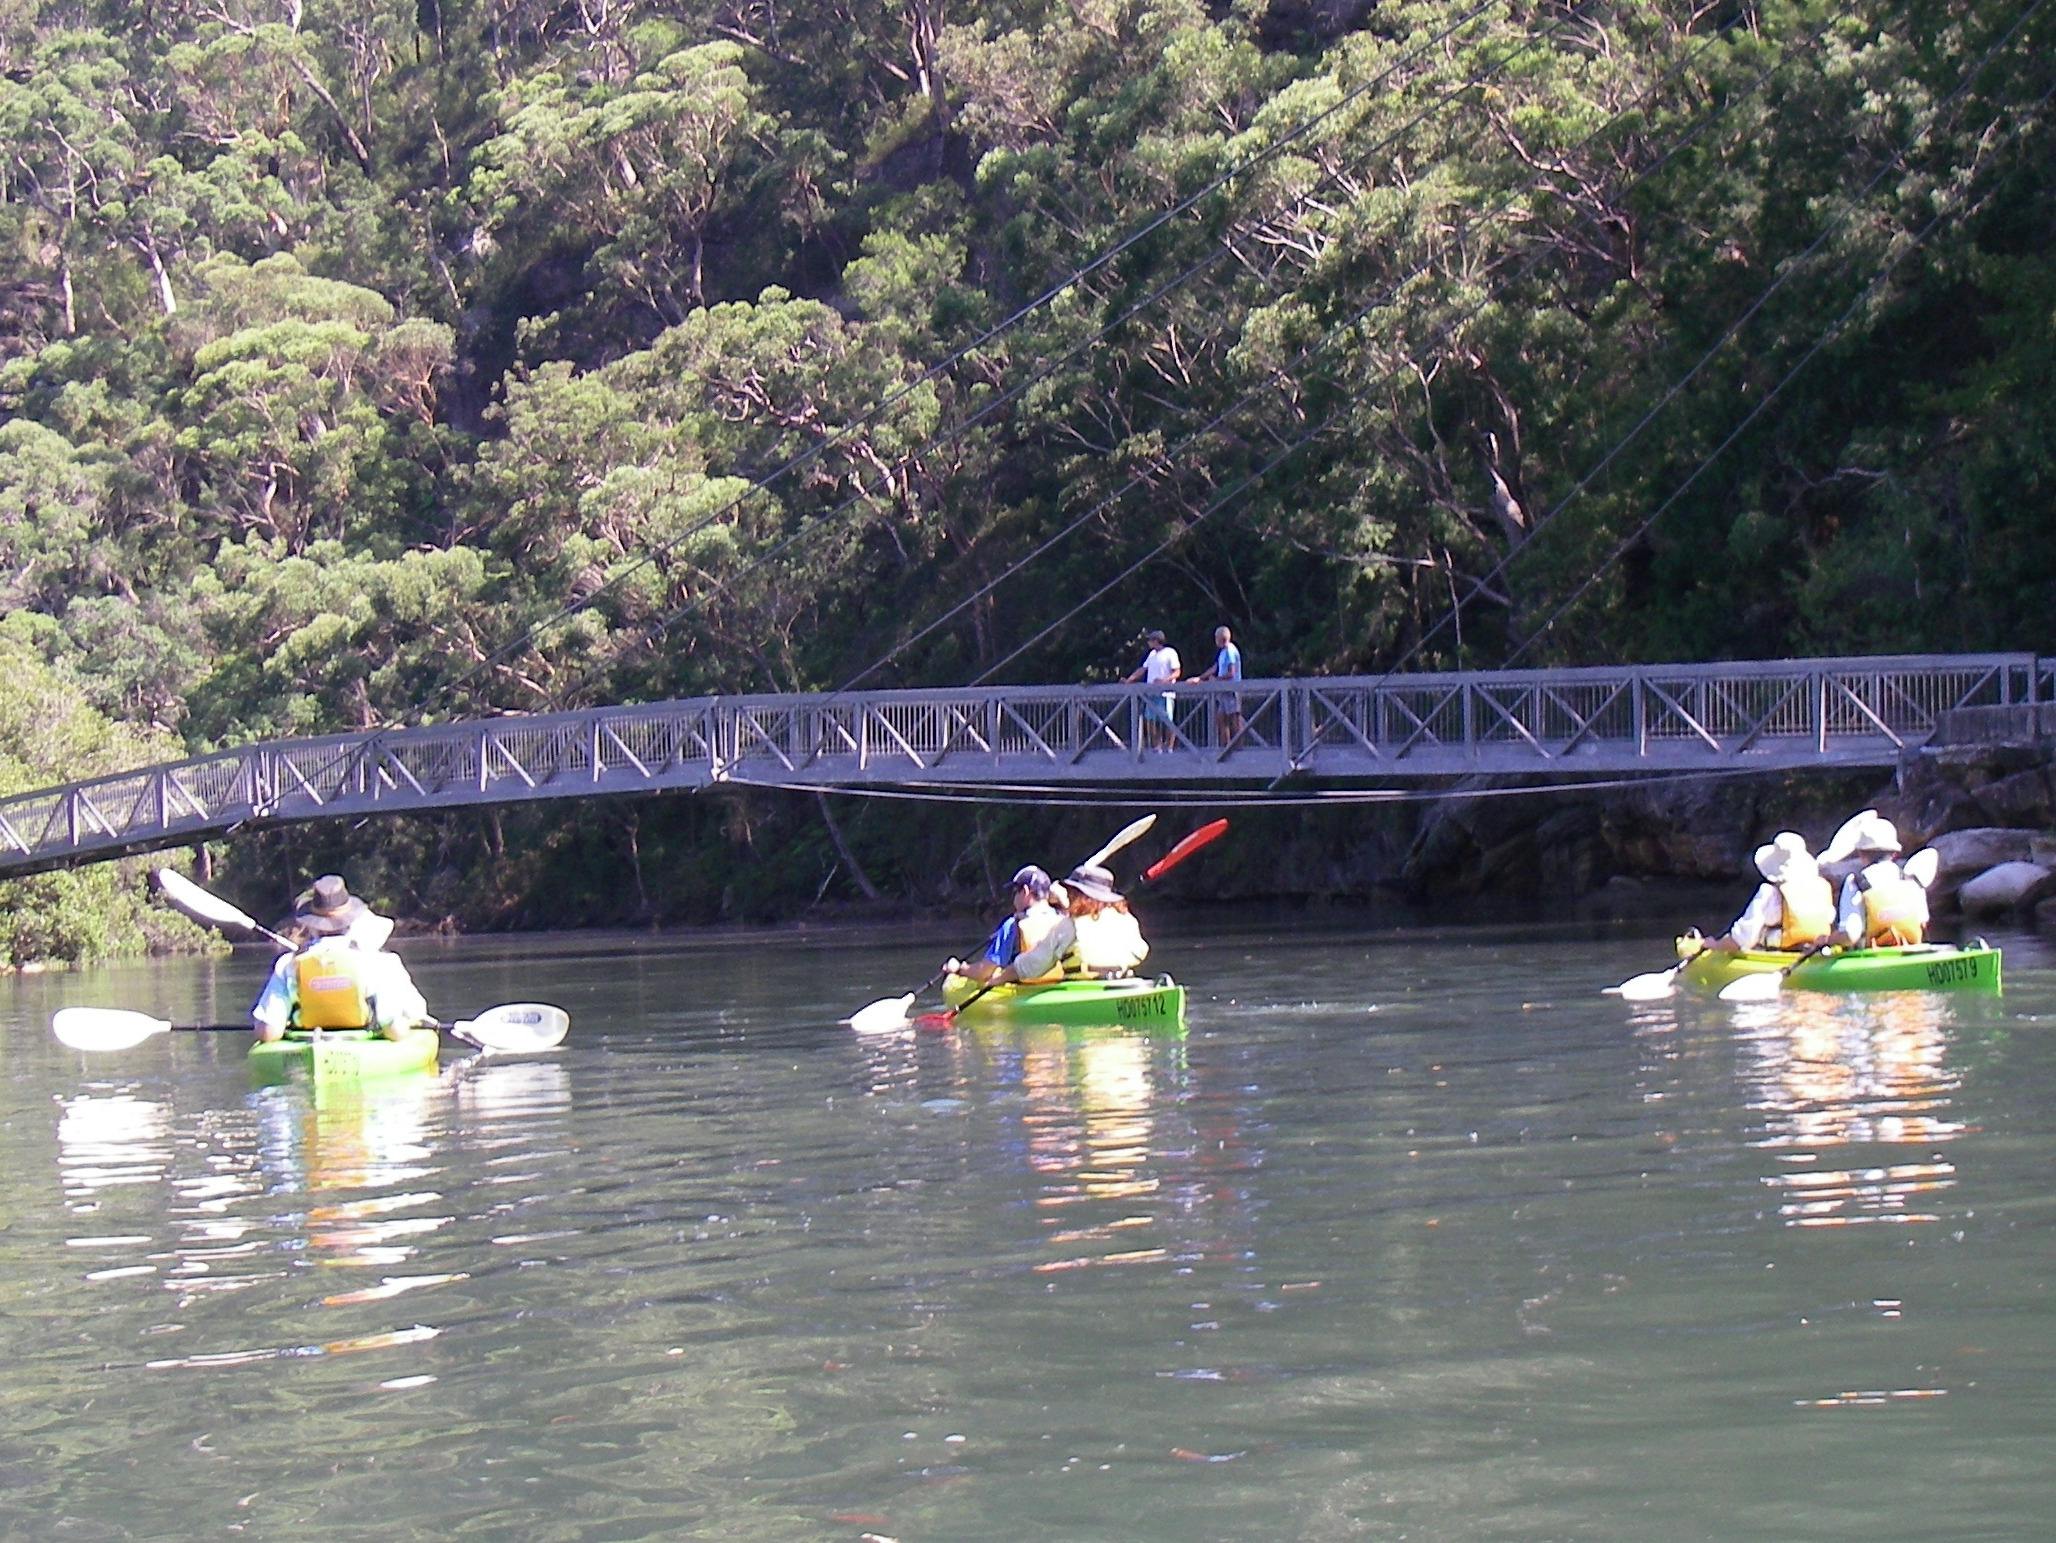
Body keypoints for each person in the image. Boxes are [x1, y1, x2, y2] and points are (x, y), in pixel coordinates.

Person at [250, 875, 431, 1042]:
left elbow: (269, 1032)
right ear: (352, 922)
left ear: (312, 926)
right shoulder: (379, 962)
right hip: (364, 1047)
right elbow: (395, 1031)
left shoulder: (288, 964)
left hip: (308, 1041)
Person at [988, 863, 1151, 985]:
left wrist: (999, 979)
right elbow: (1141, 951)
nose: (1069, 895)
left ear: (1078, 894)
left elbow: (1032, 965)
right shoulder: (1126, 919)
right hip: (1126, 983)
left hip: (1083, 991)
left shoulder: (1067, 926)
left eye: (1072, 892)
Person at [1705, 831, 1835, 954]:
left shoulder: (1768, 893)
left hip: (1780, 955)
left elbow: (1743, 939)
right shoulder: (1821, 887)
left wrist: (1715, 946)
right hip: (1816, 951)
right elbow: (1830, 918)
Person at [1818, 809, 1928, 947]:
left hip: (1872, 959)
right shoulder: (1912, 881)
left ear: (1861, 853)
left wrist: (1826, 941)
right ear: (1894, 854)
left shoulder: (1855, 883)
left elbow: (1850, 935)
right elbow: (1923, 922)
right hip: (1913, 953)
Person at [946, 865, 1065, 985]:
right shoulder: (1062, 919)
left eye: (1015, 892)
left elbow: (984, 972)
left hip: (1024, 991)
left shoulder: (1012, 925)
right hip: (1058, 985)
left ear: (1025, 891)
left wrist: (960, 969)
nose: (1013, 899)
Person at [1123, 628, 1181, 750]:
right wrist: (1130, 679)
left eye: (1150, 640)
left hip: (1166, 693)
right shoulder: (1152, 654)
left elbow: (1177, 672)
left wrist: (1164, 681)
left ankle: (1169, 747)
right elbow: (1142, 669)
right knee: (1150, 720)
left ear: (1156, 641)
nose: (1148, 643)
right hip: (1151, 694)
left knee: (1168, 721)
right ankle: (1157, 746)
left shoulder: (1170, 652)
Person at [1193, 624, 1245, 748]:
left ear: (1222, 638)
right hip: (1223, 690)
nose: (1215, 640)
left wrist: (1216, 679)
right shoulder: (1222, 652)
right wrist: (1200, 678)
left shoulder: (1230, 651)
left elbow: (1232, 672)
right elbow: (1215, 668)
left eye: (1216, 638)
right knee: (1221, 718)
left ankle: (1239, 747)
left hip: (1232, 690)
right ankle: (1226, 746)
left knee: (1234, 719)